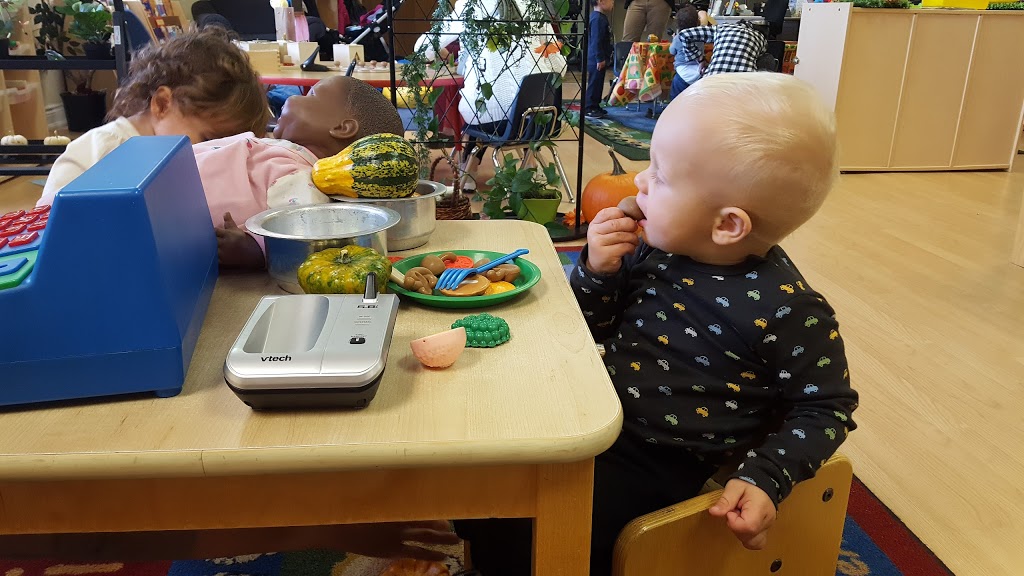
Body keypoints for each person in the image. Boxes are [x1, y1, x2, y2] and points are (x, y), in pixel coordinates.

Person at [458, 72, 859, 576]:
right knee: (481, 459)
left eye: (661, 177)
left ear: (727, 224)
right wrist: (598, 270)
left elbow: (826, 407)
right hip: (596, 410)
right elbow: (590, 329)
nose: (640, 182)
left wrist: (766, 476)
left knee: (536, 526)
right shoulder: (656, 248)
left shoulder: (789, 309)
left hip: (666, 459)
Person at [37, 28, 269, 208]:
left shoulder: (183, 160)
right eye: (207, 139)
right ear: (162, 104)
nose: (213, 154)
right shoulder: (102, 149)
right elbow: (49, 220)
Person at [192, 76, 405, 270]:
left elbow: (299, 238)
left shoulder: (303, 178)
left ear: (342, 128)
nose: (293, 97)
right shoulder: (286, 151)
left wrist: (253, 250)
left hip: (182, 213)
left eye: (311, 95)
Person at [676, 20, 768, 77]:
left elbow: (684, 34)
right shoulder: (761, 38)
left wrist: (700, 59)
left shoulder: (721, 28)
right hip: (744, 83)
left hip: (712, 79)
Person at [585, 0, 615, 118]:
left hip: (600, 58)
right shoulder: (597, 19)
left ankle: (595, 105)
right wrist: (599, 58)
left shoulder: (600, 17)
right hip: (596, 59)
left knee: (598, 83)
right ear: (600, 1)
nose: (613, 2)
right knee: (594, 83)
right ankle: (589, 107)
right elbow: (596, 41)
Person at [668, 3, 702, 99]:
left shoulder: (678, 37)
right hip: (698, 71)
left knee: (675, 98)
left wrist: (674, 40)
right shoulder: (700, 36)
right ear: (697, 21)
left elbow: (672, 51)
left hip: (682, 72)